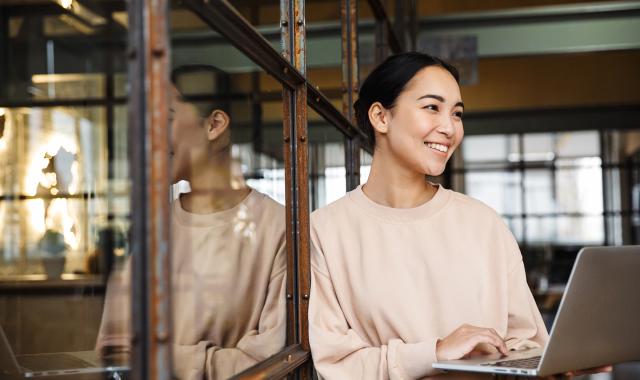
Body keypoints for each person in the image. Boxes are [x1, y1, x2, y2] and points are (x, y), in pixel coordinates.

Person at [308, 52, 548, 380]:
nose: (449, 128)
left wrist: (552, 364)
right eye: (432, 107)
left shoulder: (483, 223)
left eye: (457, 113)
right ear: (380, 117)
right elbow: (336, 364)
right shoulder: (326, 230)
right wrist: (433, 352)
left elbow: (527, 342)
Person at [96, 76, 286, 380]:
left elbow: (273, 363)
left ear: (214, 125)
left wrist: (158, 359)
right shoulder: (154, 228)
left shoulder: (278, 227)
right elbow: (113, 349)